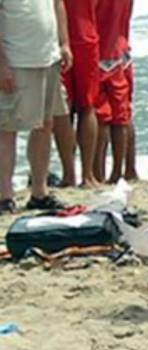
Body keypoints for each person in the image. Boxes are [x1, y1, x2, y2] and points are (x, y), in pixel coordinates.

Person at [0, 0, 71, 214]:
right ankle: (4, 195)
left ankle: (39, 192)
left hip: (49, 57)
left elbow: (58, 4)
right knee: (6, 130)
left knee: (45, 125)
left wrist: (64, 43)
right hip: (17, 59)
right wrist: (1, 64)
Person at [57, 0, 101, 188]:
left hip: (59, 38)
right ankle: (87, 175)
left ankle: (69, 174)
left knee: (63, 108)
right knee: (87, 106)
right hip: (87, 35)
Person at [94, 0, 134, 184]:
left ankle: (98, 172)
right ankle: (124, 170)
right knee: (123, 115)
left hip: (101, 51)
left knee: (101, 116)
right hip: (122, 51)